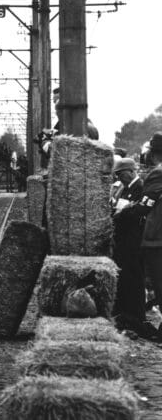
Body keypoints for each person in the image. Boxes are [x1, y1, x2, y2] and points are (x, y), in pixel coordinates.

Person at [110, 157, 153, 338]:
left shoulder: (139, 188)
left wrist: (122, 213)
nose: (119, 178)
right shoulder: (124, 189)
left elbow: (134, 212)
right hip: (124, 240)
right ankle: (126, 315)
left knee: (134, 279)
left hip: (133, 241)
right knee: (125, 278)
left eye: (121, 174)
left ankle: (136, 317)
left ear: (130, 171)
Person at [138, 132, 162, 340]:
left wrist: (127, 211)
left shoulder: (157, 174)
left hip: (157, 238)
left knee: (159, 282)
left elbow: (146, 204)